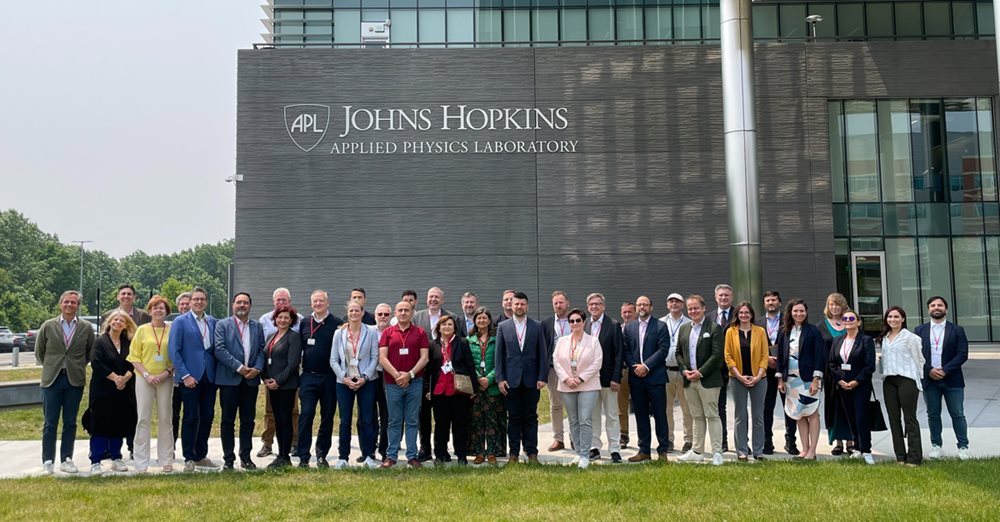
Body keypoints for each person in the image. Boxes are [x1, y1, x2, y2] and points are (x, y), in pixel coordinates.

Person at [36, 290, 96, 475]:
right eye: (66, 302)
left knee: (70, 421)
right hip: (52, 379)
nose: (69, 305)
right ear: (60, 304)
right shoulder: (48, 325)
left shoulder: (85, 327)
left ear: (78, 306)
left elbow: (89, 353)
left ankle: (66, 459)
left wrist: (75, 365)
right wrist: (54, 365)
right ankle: (47, 461)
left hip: (74, 379)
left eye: (73, 302)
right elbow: (40, 352)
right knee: (50, 422)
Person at [167, 287, 219, 472]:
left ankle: (201, 455)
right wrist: (185, 375)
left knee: (207, 416)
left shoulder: (213, 321)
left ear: (206, 301)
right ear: (190, 302)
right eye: (195, 299)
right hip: (190, 377)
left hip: (210, 377)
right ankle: (188, 457)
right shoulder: (180, 322)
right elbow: (174, 351)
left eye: (202, 299)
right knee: (190, 417)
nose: (199, 302)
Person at [213, 292, 265, 470]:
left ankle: (246, 457)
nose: (242, 305)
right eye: (239, 302)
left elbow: (261, 350)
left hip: (251, 381)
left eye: (245, 303)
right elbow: (219, 349)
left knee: (248, 421)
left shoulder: (257, 326)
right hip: (229, 380)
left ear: (250, 306)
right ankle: (228, 459)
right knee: (227, 421)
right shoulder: (222, 325)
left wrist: (257, 369)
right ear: (233, 305)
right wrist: (239, 368)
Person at [494, 291, 548, 464]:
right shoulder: (503, 326)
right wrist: (500, 378)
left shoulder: (537, 326)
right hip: (511, 380)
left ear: (527, 306)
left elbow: (543, 353)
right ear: (511, 305)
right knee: (514, 417)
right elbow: (499, 355)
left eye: (522, 304)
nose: (519, 306)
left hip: (532, 380)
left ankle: (532, 453)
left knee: (531, 417)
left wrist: (542, 376)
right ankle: (514, 454)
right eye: (516, 304)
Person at [915, 296, 970, 460]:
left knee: (958, 414)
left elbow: (962, 354)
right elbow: (916, 354)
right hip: (929, 380)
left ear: (946, 309)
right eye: (933, 305)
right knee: (933, 414)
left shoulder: (957, 330)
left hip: (952, 379)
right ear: (928, 309)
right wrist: (929, 370)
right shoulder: (919, 330)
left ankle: (963, 447)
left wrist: (945, 370)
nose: (936, 307)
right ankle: (936, 446)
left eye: (940, 305)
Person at [379, 300, 430, 468]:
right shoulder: (387, 332)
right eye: (400, 310)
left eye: (406, 310)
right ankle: (391, 456)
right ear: (395, 312)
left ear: (412, 313)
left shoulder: (420, 332)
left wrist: (409, 375)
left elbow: (425, 358)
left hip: (415, 383)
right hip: (392, 384)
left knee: (412, 420)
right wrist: (396, 375)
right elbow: (382, 358)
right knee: (394, 421)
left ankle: (412, 456)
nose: (403, 313)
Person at [127, 295, 176, 473]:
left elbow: (176, 355)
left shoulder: (172, 330)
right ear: (149, 311)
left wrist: (166, 373)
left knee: (165, 418)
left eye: (161, 308)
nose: (158, 311)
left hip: (165, 378)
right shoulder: (141, 330)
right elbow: (134, 356)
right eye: (154, 308)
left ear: (167, 311)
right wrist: (147, 375)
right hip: (144, 378)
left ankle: (166, 459)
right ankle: (141, 462)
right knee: (143, 419)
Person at [85, 310, 137, 475]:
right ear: (109, 322)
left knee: (119, 423)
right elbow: (96, 363)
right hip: (103, 390)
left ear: (126, 325)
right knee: (100, 424)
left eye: (122, 320)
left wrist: (125, 378)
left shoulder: (128, 343)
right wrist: (116, 378)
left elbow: (134, 362)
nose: (118, 322)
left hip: (124, 390)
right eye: (115, 319)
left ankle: (116, 457)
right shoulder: (100, 341)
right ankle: (96, 461)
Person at [330, 300, 380, 469]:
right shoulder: (339, 333)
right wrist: (344, 377)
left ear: (362, 312)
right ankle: (343, 457)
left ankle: (368, 456)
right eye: (351, 311)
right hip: (344, 382)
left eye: (356, 310)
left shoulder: (371, 332)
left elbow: (375, 357)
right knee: (345, 421)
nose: (353, 313)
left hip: (366, 381)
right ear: (348, 313)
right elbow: (333, 360)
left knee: (366, 420)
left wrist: (364, 377)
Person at [676, 295, 726, 465]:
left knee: (712, 415)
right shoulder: (684, 329)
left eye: (696, 308)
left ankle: (717, 452)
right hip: (689, 380)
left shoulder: (714, 328)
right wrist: (684, 371)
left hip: (708, 380)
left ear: (704, 308)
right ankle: (697, 451)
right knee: (696, 416)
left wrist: (700, 372)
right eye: (690, 308)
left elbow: (717, 355)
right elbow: (678, 353)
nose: (693, 311)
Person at [775, 299, 827, 460]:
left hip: (808, 379)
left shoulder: (813, 331)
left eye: (802, 311)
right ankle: (804, 449)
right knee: (798, 414)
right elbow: (780, 357)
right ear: (790, 312)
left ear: (806, 312)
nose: (799, 314)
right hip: (791, 380)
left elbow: (820, 356)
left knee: (812, 414)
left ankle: (812, 451)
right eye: (795, 311)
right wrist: (780, 380)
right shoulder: (784, 331)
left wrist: (816, 379)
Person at [297, 290, 343, 468]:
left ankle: (322, 455)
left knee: (327, 416)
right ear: (311, 304)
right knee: (306, 414)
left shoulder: (337, 323)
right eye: (315, 301)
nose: (318, 304)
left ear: (328, 303)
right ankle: (303, 456)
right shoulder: (303, 323)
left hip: (330, 377)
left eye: (321, 301)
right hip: (308, 376)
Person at [553, 308, 603, 469]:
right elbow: (556, 361)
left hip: (588, 385)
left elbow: (597, 363)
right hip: (567, 385)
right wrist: (566, 378)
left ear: (584, 322)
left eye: (578, 321)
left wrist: (581, 378)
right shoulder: (562, 341)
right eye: (572, 321)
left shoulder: (593, 341)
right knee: (573, 420)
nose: (575, 323)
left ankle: (585, 455)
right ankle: (579, 452)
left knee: (585, 419)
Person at [622, 295, 671, 462]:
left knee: (660, 415)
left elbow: (663, 350)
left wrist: (646, 366)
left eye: (645, 305)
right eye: (639, 305)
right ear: (636, 308)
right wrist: (635, 366)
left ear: (651, 307)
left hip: (655, 378)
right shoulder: (629, 328)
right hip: (636, 379)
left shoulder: (661, 326)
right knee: (641, 415)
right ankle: (644, 450)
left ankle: (663, 450)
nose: (641, 307)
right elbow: (626, 350)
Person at [257, 288, 304, 458]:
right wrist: (266, 378)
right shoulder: (271, 335)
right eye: (279, 317)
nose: (282, 319)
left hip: (286, 384)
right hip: (271, 383)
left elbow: (293, 363)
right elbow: (264, 356)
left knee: (288, 416)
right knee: (274, 416)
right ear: (274, 318)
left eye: (286, 317)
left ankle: (286, 453)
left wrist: (278, 381)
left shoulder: (294, 336)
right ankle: (275, 450)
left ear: (291, 320)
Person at [877, 306, 925, 466]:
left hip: (907, 379)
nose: (893, 320)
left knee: (909, 418)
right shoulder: (884, 337)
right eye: (890, 317)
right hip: (889, 380)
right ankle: (900, 456)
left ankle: (915, 457)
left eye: (896, 317)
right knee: (893, 419)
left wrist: (919, 379)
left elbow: (920, 360)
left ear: (903, 319)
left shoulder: (910, 338)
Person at [828, 309, 877, 465]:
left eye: (851, 318)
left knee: (861, 417)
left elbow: (869, 365)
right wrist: (839, 380)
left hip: (860, 386)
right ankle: (856, 448)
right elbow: (832, 363)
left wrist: (856, 381)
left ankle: (866, 450)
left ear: (858, 322)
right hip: (843, 385)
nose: (848, 321)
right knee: (850, 417)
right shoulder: (837, 340)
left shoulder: (866, 340)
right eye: (845, 319)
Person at [412, 286, 455, 461]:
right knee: (423, 415)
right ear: (426, 299)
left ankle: (441, 449)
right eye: (431, 297)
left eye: (437, 297)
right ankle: (425, 448)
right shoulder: (417, 317)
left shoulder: (453, 317)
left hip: (443, 375)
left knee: (442, 415)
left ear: (442, 300)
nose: (433, 300)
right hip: (422, 372)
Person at [427, 315, 476, 464]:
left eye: (450, 324)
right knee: (441, 425)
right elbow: (428, 370)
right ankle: (440, 455)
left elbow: (470, 366)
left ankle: (461, 455)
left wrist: (473, 389)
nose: (447, 327)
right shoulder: (432, 345)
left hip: (458, 391)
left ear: (454, 327)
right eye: (444, 325)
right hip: (439, 391)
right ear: (438, 328)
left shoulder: (462, 343)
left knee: (460, 424)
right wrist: (427, 389)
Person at [724, 302, 768, 461]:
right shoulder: (730, 332)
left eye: (747, 312)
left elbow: (765, 355)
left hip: (759, 379)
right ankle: (741, 451)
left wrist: (758, 375)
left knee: (758, 416)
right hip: (737, 379)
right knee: (740, 416)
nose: (744, 315)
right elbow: (728, 356)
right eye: (741, 313)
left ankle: (758, 451)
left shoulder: (760, 331)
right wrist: (739, 376)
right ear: (737, 314)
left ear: (751, 315)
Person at [585, 293, 624, 463]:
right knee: (593, 416)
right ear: (588, 307)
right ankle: (595, 448)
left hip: (609, 379)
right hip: (589, 380)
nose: (594, 307)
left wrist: (616, 377)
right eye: (591, 304)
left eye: (598, 304)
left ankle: (615, 449)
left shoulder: (614, 325)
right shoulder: (584, 324)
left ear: (603, 306)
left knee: (612, 415)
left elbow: (619, 353)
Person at [758, 290, 798, 456]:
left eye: (774, 300)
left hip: (786, 369)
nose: (771, 303)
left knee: (789, 407)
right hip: (765, 370)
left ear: (780, 303)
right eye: (767, 300)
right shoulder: (757, 322)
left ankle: (791, 442)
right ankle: (767, 442)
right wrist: (766, 358)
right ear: (764, 304)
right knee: (766, 408)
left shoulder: (789, 322)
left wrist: (780, 359)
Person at [468, 307, 505, 464]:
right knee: (477, 421)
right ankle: (479, 452)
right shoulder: (468, 340)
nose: (481, 321)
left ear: (489, 321)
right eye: (479, 318)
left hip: (492, 386)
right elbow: (467, 362)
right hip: (475, 387)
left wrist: (489, 379)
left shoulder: (497, 339)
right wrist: (477, 378)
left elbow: (501, 361)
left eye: (484, 318)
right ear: (474, 321)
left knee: (492, 420)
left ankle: (491, 452)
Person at [819, 292, 851, 455]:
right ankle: (837, 441)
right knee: (835, 408)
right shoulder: (822, 326)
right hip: (830, 375)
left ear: (843, 306)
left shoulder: (851, 322)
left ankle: (851, 441)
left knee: (850, 407)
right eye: (831, 304)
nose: (834, 307)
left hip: (851, 374)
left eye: (837, 304)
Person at [659, 293, 692, 453]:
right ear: (667, 305)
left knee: (687, 408)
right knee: (666, 408)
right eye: (671, 301)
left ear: (682, 305)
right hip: (664, 371)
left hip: (683, 371)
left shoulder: (689, 322)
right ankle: (668, 440)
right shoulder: (661, 323)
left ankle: (689, 440)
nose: (674, 304)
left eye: (677, 301)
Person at [540, 290, 571, 452]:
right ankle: (558, 439)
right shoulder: (546, 323)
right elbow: (543, 349)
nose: (558, 306)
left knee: (573, 404)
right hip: (553, 370)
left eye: (561, 302)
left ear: (568, 303)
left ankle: (575, 437)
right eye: (555, 303)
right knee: (556, 404)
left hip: (573, 370)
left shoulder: (577, 319)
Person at [707, 284, 734, 453]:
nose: (724, 298)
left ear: (732, 297)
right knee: (719, 406)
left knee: (741, 408)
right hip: (715, 369)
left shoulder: (740, 314)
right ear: (716, 297)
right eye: (721, 295)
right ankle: (722, 442)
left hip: (736, 367)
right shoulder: (708, 317)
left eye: (727, 295)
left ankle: (743, 442)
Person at [371, 303, 393, 461]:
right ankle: (369, 449)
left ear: (390, 316)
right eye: (380, 314)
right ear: (375, 316)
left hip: (388, 376)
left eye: (386, 314)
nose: (383, 317)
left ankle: (384, 449)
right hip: (371, 376)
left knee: (387, 414)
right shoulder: (368, 331)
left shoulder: (394, 333)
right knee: (368, 414)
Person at [171, 292, 192, 449]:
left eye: (187, 303)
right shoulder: (173, 325)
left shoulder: (198, 326)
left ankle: (190, 450)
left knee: (191, 416)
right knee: (173, 415)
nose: (184, 306)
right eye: (182, 304)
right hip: (174, 380)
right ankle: (170, 447)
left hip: (193, 379)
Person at [618, 301, 636, 449]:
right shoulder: (617, 328)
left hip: (638, 371)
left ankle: (645, 436)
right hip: (623, 371)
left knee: (642, 405)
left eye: (630, 312)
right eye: (624, 312)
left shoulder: (640, 328)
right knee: (621, 406)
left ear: (635, 313)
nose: (627, 314)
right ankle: (623, 435)